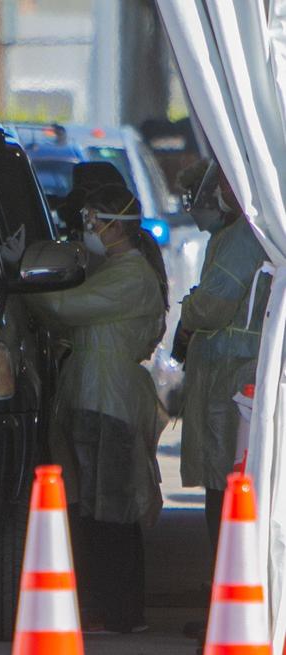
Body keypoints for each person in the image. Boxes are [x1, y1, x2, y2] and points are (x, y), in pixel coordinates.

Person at [26, 183, 166, 634]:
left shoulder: (131, 276)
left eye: (92, 221)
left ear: (115, 225)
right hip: (93, 397)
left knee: (113, 511)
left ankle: (121, 613)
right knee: (97, 508)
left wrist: (21, 278)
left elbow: (68, 308)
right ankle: (108, 608)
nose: (87, 229)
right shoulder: (113, 270)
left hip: (110, 402)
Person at [176, 161, 271, 554]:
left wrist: (188, 311)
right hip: (231, 372)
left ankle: (225, 587)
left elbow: (212, 304)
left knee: (225, 480)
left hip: (232, 376)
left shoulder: (242, 239)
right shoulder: (241, 235)